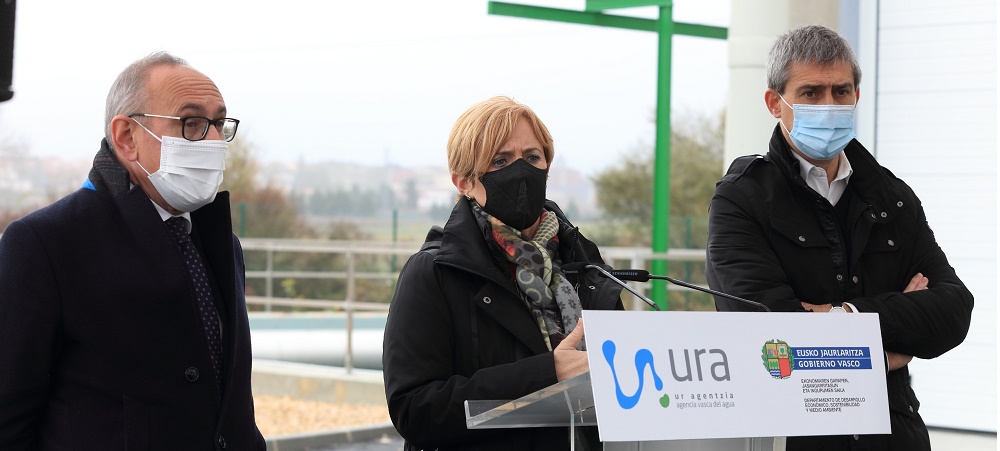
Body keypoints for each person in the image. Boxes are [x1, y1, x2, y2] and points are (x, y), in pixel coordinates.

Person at [705, 25, 973, 450]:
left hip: (893, 433)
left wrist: (841, 317)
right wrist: (882, 352)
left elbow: (954, 310)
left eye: (841, 91)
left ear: (856, 96)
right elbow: (768, 336)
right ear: (776, 103)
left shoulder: (891, 197)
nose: (829, 105)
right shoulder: (742, 199)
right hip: (795, 437)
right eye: (811, 93)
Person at [0, 52, 266, 450]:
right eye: (191, 123)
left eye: (218, 123)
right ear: (126, 137)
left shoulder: (220, 243)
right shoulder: (45, 244)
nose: (212, 140)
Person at [382, 96, 624, 450]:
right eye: (500, 160)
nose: (521, 171)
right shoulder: (435, 272)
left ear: (547, 166)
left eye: (532, 157)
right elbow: (415, 409)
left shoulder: (583, 261)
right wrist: (548, 373)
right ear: (463, 181)